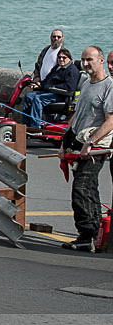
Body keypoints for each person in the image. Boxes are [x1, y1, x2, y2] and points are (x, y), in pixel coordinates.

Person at [59, 46, 113, 252]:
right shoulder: (86, 84)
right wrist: (64, 143)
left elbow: (110, 121)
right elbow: (77, 116)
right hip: (78, 143)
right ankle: (93, 233)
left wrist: (90, 143)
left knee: (82, 188)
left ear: (100, 60)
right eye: (83, 60)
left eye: (89, 59)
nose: (86, 64)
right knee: (88, 189)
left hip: (95, 148)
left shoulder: (110, 87)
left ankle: (87, 234)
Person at [23, 48, 80, 129]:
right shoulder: (57, 67)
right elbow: (47, 80)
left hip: (61, 96)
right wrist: (39, 85)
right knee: (28, 96)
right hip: (51, 92)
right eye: (59, 57)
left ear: (69, 58)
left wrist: (52, 87)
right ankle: (26, 124)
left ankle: (35, 127)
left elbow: (70, 87)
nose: (61, 59)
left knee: (38, 99)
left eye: (64, 58)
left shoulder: (72, 70)